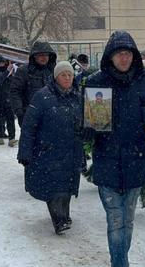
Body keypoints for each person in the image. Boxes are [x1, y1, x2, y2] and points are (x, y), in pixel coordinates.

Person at [85, 31, 145, 267]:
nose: (123, 58)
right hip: (107, 161)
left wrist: (143, 114)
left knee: (128, 221)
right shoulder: (97, 82)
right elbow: (91, 126)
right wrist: (89, 125)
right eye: (119, 54)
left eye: (127, 54)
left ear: (133, 56)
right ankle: (120, 263)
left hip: (136, 159)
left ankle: (120, 260)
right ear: (110, 57)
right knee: (115, 221)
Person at [17, 61, 84, 235]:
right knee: (53, 186)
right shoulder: (42, 97)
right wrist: (25, 152)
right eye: (63, 75)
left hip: (71, 150)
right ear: (56, 77)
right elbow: (29, 125)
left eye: (70, 74)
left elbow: (86, 120)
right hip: (48, 151)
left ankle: (64, 215)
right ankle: (59, 219)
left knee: (68, 185)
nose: (68, 78)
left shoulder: (78, 96)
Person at [10, 41, 57, 127]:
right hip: (30, 114)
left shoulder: (53, 71)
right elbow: (15, 92)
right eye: (41, 55)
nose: (44, 58)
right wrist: (19, 111)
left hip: (51, 115)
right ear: (35, 56)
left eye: (46, 55)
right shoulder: (24, 71)